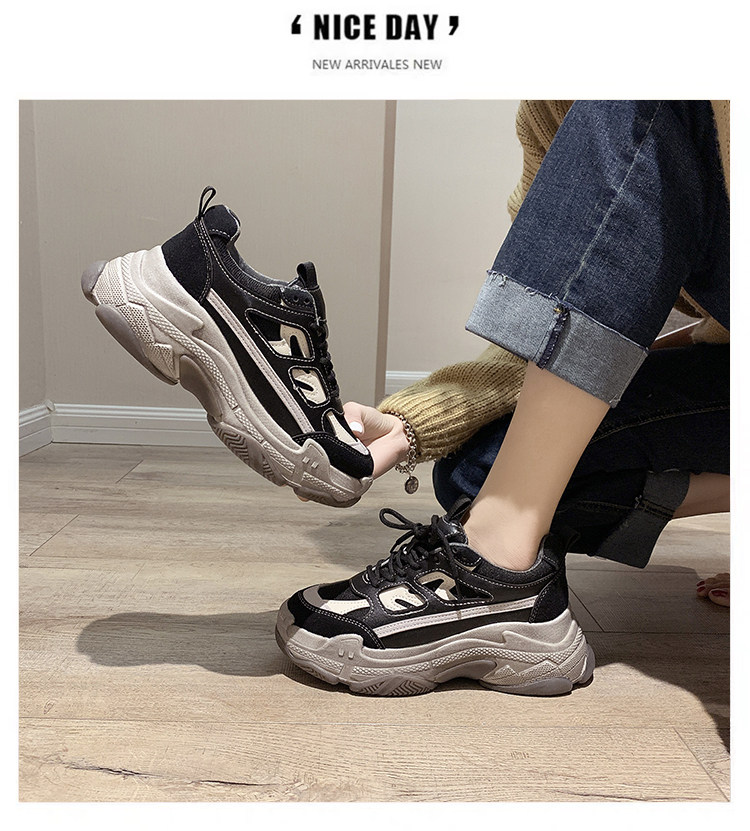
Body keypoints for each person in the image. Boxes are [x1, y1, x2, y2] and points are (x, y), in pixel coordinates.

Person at [276, 100, 730, 694]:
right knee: (478, 471)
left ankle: (498, 570)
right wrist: (411, 426)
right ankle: (517, 589)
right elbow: (561, 323)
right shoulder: (556, 107)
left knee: (642, 97)